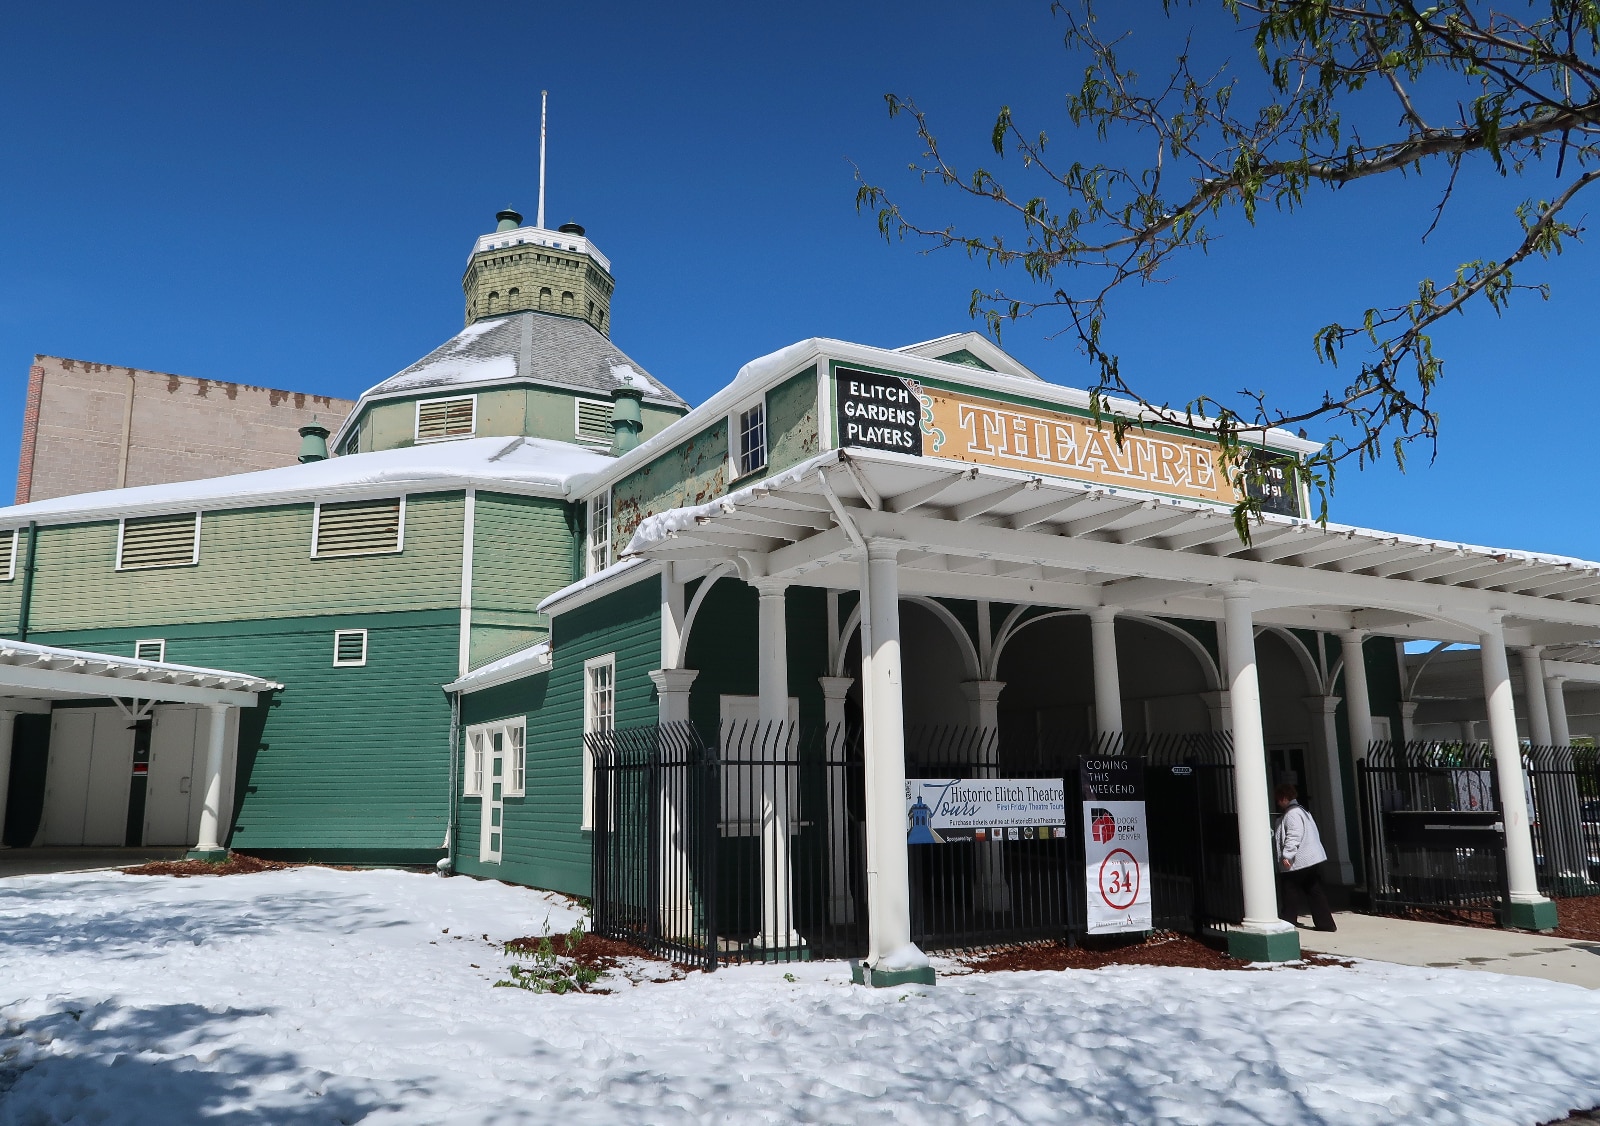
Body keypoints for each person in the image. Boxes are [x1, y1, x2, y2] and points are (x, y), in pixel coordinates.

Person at [1274, 782, 1337, 932]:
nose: (1278, 803)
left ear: (1283, 798)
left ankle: (1288, 921)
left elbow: (1294, 835)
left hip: (1299, 861)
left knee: (1289, 889)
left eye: (1278, 799)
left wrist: (1287, 855)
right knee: (1313, 889)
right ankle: (1326, 923)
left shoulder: (1292, 814)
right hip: (1312, 859)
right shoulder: (1302, 811)